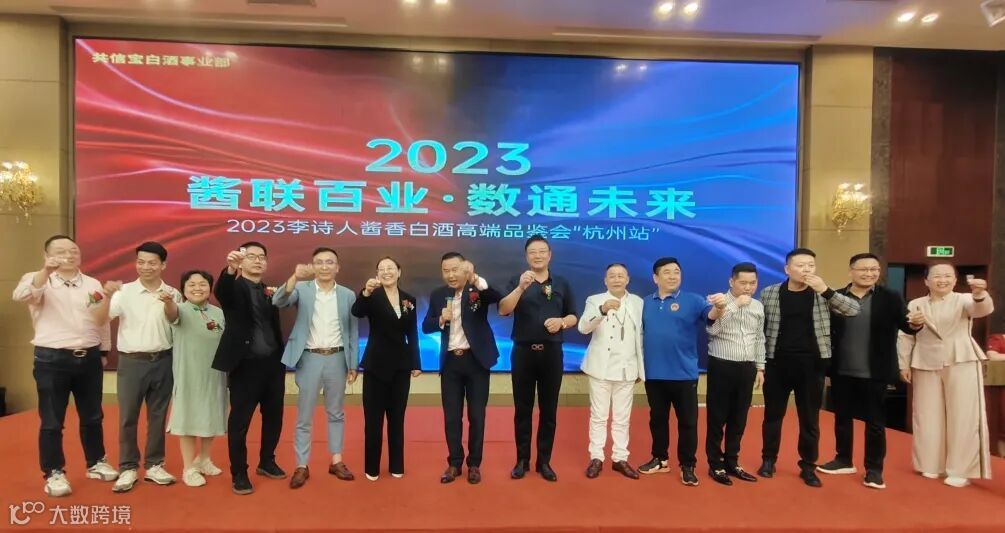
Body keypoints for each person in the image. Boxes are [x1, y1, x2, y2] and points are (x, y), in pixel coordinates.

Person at [12, 235, 118, 497]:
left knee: (92, 415)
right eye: (61, 251)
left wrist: (103, 350)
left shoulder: (91, 283)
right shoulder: (37, 279)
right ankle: (54, 472)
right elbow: (22, 295)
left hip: (88, 357)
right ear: (46, 255)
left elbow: (100, 320)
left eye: (73, 250)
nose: (69, 255)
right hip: (52, 359)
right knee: (52, 419)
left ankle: (96, 462)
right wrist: (45, 272)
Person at [817, 253, 923, 490]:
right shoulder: (836, 297)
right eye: (863, 269)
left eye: (874, 269)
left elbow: (907, 326)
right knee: (842, 418)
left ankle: (874, 470)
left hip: (875, 371)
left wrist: (916, 323)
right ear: (851, 271)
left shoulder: (890, 297)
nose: (869, 273)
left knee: (875, 423)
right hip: (841, 370)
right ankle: (843, 459)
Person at [757, 248, 860, 488]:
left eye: (811, 265)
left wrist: (826, 290)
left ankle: (808, 466)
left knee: (810, 419)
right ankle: (768, 460)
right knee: (772, 416)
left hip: (812, 365)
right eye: (801, 265)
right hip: (777, 363)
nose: (806, 270)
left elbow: (854, 309)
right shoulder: (769, 293)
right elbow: (760, 328)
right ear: (787, 269)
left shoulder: (822, 293)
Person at [897, 264, 994, 488]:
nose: (943, 280)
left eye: (948, 276)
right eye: (937, 276)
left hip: (961, 359)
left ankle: (961, 469)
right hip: (925, 360)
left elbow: (982, 309)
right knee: (926, 414)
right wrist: (903, 364)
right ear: (926, 281)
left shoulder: (965, 299)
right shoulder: (915, 303)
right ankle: (930, 464)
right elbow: (906, 335)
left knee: (963, 415)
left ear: (955, 280)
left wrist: (980, 294)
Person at [93, 241, 179, 492]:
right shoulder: (124, 292)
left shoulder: (172, 292)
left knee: (158, 416)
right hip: (132, 362)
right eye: (141, 262)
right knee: (128, 417)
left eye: (152, 262)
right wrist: (107, 297)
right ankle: (128, 467)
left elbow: (175, 320)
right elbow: (99, 320)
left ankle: (154, 465)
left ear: (163, 265)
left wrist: (168, 302)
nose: (146, 267)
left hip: (163, 360)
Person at [274, 247, 359, 489]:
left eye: (329, 262)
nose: (324, 266)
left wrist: (353, 363)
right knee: (304, 415)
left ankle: (336, 460)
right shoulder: (302, 289)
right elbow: (278, 301)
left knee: (336, 413)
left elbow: (353, 331)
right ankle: (302, 465)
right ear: (313, 266)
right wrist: (294, 277)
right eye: (319, 262)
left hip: (337, 358)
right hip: (309, 357)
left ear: (337, 267)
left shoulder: (347, 295)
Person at [638, 257, 726, 486]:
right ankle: (660, 459)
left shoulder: (693, 300)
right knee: (657, 420)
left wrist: (719, 306)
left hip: (684, 374)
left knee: (687, 422)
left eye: (676, 271)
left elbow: (711, 316)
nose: (673, 276)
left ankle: (688, 465)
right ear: (655, 278)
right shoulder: (644, 303)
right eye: (667, 272)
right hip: (654, 373)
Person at [499, 235, 577, 482]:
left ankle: (544, 461)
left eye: (542, 251)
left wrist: (562, 322)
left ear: (549, 255)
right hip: (523, 352)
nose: (538, 256)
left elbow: (573, 315)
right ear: (526, 256)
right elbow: (503, 309)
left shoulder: (561, 283)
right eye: (533, 252)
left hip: (551, 354)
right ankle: (522, 460)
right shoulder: (517, 280)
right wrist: (521, 288)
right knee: (522, 409)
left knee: (548, 410)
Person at [211, 242, 287, 495]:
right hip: (245, 366)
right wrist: (229, 270)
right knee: (240, 422)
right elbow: (222, 291)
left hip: (273, 365)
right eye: (251, 256)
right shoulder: (234, 287)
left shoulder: (269, 291)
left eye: (261, 257)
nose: (257, 260)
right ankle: (239, 473)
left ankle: (266, 461)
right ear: (241, 262)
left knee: (274, 417)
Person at [422, 254, 502, 484]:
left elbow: (496, 297)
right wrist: (440, 319)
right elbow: (426, 326)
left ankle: (474, 464)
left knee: (477, 416)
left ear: (465, 270)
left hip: (476, 362)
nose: (451, 275)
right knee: (451, 417)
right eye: (446, 270)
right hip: (451, 364)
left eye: (455, 269)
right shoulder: (438, 294)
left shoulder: (476, 290)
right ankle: (454, 463)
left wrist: (476, 279)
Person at [352, 256, 420, 481]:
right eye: (382, 269)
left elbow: (412, 333)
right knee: (373, 420)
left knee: (397, 418)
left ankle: (396, 464)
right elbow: (357, 311)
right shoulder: (372, 296)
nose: (386, 272)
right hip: (376, 365)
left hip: (401, 366)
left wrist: (416, 362)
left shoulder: (409, 299)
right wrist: (365, 292)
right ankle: (372, 467)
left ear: (399, 272)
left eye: (391, 268)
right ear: (377, 274)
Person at [578, 263, 644, 480]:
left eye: (620, 275)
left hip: (627, 368)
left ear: (628, 279)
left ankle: (620, 458)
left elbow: (641, 335)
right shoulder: (594, 300)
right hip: (601, 367)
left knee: (622, 417)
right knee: (599, 415)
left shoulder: (638, 302)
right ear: (605, 280)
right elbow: (583, 327)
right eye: (612, 276)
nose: (616, 279)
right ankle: (596, 457)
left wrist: (640, 368)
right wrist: (601, 311)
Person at [163, 270, 228, 487]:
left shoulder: (219, 313)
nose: (197, 288)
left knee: (211, 415)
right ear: (183, 289)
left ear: (210, 288)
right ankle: (188, 467)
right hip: (189, 375)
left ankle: (204, 459)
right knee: (189, 419)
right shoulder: (179, 309)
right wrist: (168, 302)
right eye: (191, 285)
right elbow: (171, 314)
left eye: (202, 284)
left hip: (215, 375)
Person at [704, 262, 765, 486]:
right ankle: (715, 463)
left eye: (752, 283)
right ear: (732, 281)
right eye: (743, 283)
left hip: (747, 367)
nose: (748, 287)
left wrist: (760, 367)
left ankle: (732, 461)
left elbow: (759, 337)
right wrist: (735, 305)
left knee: (739, 418)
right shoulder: (719, 301)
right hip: (722, 365)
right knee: (717, 417)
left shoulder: (757, 306)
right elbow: (712, 329)